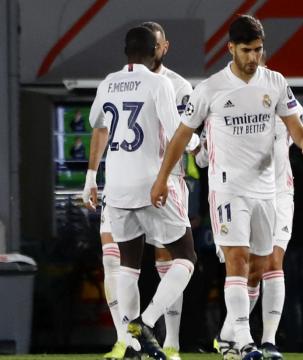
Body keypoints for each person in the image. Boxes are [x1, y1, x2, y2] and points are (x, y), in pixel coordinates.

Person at [149, 14, 303, 360]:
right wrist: (162, 177)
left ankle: (228, 335)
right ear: (231, 49)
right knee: (237, 261)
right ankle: (244, 339)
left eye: (258, 49)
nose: (253, 57)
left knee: (260, 267)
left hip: (266, 191)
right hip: (228, 190)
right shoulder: (210, 89)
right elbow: (181, 137)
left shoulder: (275, 82)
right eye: (246, 50)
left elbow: (294, 123)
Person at [82, 26, 196, 360]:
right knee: (185, 257)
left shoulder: (108, 83)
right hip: (152, 184)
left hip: (115, 187)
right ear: (155, 50)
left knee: (128, 267)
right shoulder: (159, 82)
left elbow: (97, 123)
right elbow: (178, 133)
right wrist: (198, 143)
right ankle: (146, 323)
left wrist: (91, 178)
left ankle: (131, 344)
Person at [202, 104, 303, 359]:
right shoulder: (227, 99)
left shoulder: (284, 101)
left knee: (272, 263)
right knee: (249, 269)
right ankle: (230, 336)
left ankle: (267, 342)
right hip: (238, 195)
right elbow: (202, 156)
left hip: (279, 195)